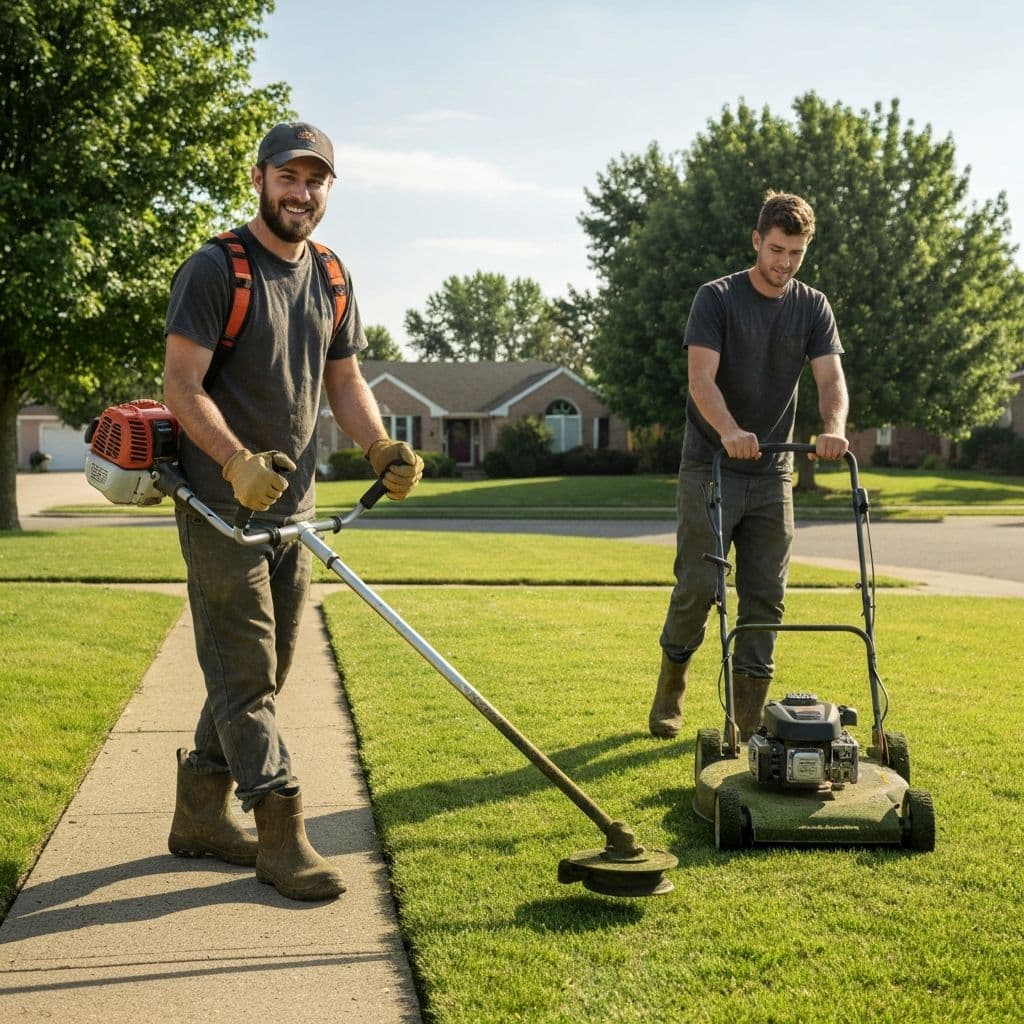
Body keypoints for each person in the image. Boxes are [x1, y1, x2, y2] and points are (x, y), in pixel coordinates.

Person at [162, 121, 423, 901]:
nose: (300, 192)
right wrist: (234, 462)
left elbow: (344, 380)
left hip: (295, 511)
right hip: (220, 507)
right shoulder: (216, 269)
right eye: (288, 176)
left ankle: (199, 815)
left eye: (315, 180)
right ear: (259, 178)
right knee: (245, 676)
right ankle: (281, 830)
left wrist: (380, 449)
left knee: (265, 671)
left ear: (328, 191)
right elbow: (182, 383)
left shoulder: (333, 275)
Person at [649, 191, 849, 740]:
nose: (785, 262)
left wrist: (833, 428)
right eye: (777, 249)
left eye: (797, 253)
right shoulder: (716, 298)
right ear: (757, 240)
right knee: (698, 584)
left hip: (772, 473)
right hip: (710, 468)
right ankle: (672, 683)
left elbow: (831, 381)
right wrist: (731, 430)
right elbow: (700, 380)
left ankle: (743, 723)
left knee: (766, 595)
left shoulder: (813, 306)